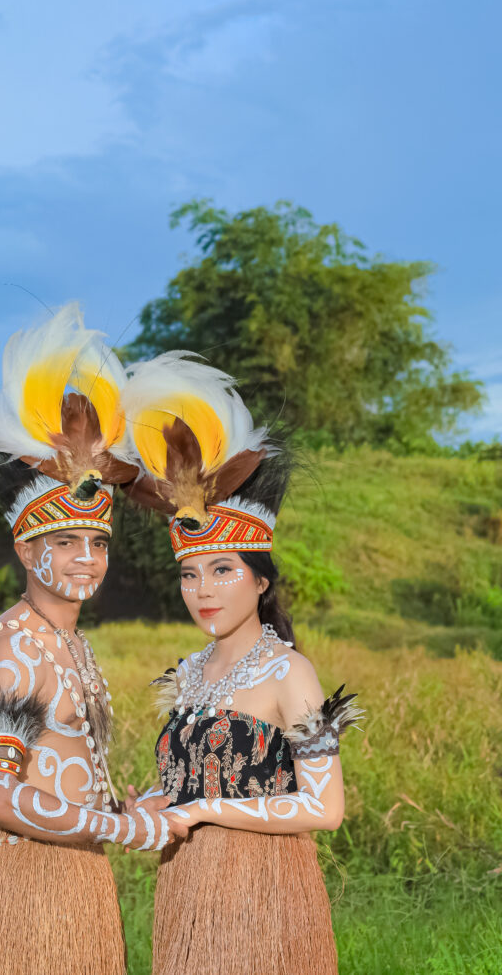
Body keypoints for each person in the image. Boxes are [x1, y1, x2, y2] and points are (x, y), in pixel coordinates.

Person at [0, 305, 172, 975]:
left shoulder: (71, 642)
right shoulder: (10, 651)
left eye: (98, 542)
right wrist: (120, 827)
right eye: (65, 541)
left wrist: (124, 805)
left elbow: (61, 774)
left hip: (76, 885)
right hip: (17, 891)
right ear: (25, 548)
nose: (87, 559)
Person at [121, 352, 362, 975]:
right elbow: (205, 777)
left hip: (267, 895)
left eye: (223, 570)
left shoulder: (290, 673)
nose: (203, 590)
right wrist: (156, 801)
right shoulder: (186, 674)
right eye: (190, 574)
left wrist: (202, 809)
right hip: (186, 894)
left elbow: (324, 808)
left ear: (260, 581)